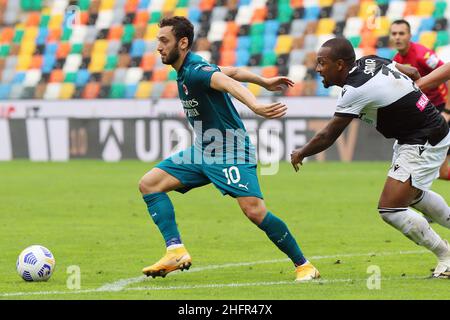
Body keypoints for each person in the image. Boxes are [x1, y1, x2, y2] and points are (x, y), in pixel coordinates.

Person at [138, 16, 320, 282]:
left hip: (231, 150)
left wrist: (256, 105)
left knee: (254, 211)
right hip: (204, 150)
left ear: (183, 42)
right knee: (149, 184)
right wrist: (263, 80)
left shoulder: (196, 71)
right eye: (158, 41)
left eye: (164, 41)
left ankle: (304, 266)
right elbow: (231, 72)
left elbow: (230, 84)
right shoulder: (189, 68)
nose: (159, 47)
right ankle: (175, 250)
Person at [290, 38, 450, 279]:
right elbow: (412, 72)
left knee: (391, 208)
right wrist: (408, 100)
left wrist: (301, 152)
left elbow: (328, 135)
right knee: (413, 196)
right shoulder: (369, 61)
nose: (318, 69)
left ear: (340, 65)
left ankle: (445, 256)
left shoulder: (355, 90)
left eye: (322, 63)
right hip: (421, 132)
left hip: (422, 137)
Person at [390, 19, 450, 180]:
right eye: (394, 34)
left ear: (409, 35)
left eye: (401, 33)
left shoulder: (423, 54)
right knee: (442, 173)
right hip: (428, 113)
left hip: (442, 109)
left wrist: (448, 110)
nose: (397, 37)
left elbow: (448, 75)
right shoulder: (396, 61)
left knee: (438, 171)